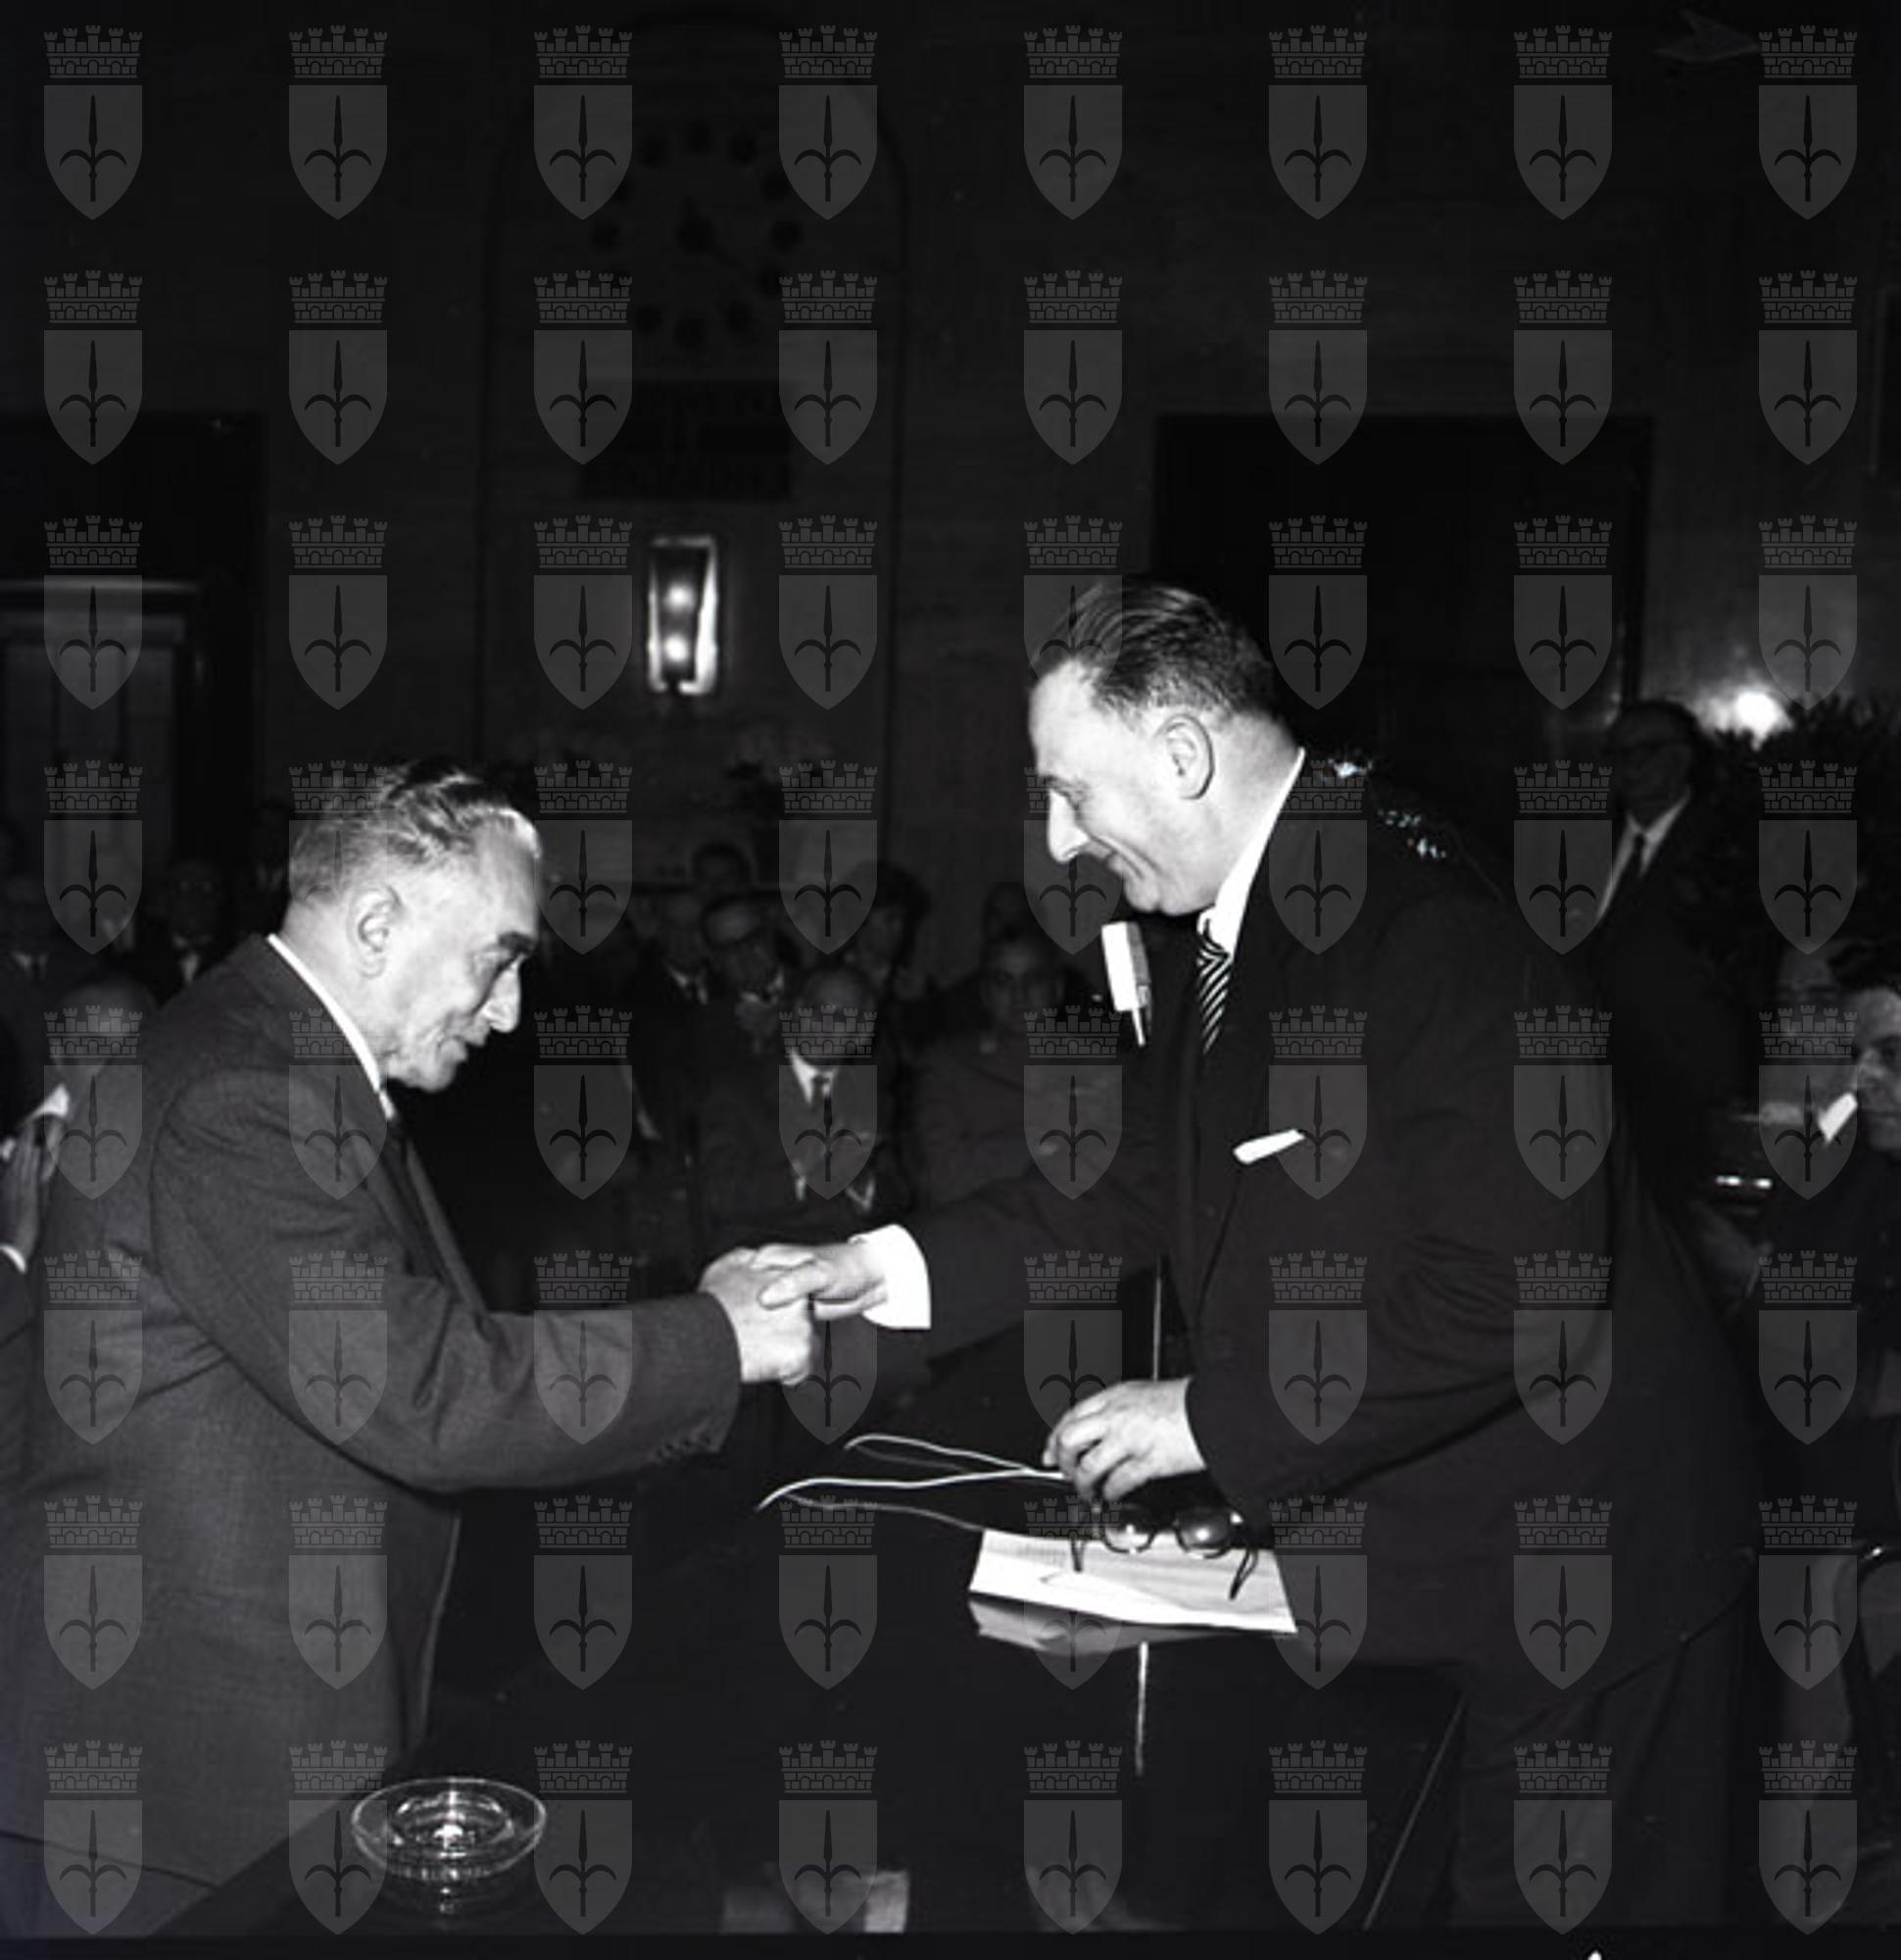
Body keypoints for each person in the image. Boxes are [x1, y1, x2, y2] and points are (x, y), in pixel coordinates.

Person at [757, 581, 1759, 1927]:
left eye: (1071, 794)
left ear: (1182, 755)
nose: (1061, 841)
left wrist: (1203, 1417)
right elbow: (1133, 1182)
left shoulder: (1423, 928)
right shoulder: (1262, 910)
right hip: (1462, 1542)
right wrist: (878, 1269)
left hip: (1592, 1560)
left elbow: (1526, 1289)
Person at [0, 761, 816, 1936]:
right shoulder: (241, 1092)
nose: (509, 1010)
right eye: (499, 957)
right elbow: (429, 1391)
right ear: (377, 923)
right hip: (183, 1779)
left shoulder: (273, 1057)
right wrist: (719, 1337)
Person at [1589, 701, 1744, 1216]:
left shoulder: (1724, 846)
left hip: (1685, 1090)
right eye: (1617, 753)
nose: (1630, 766)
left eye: (1646, 751)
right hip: (1597, 1086)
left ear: (1682, 758)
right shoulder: (1585, 844)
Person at [909, 925, 1068, 1204]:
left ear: (1056, 988)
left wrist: (986, 1149)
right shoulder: (948, 1065)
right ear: (985, 993)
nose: (1019, 995)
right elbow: (944, 1179)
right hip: (982, 1222)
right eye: (1003, 982)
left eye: (1033, 980)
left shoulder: (1101, 1064)